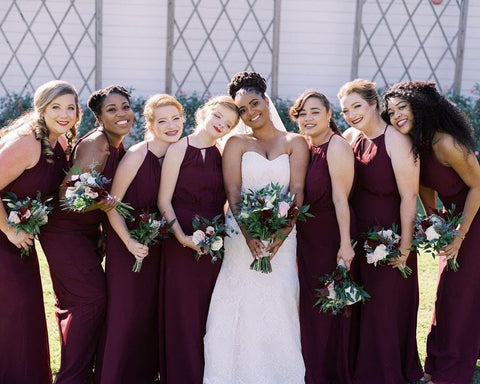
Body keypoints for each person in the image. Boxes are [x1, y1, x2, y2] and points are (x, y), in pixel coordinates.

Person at [203, 71, 309, 384]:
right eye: (243, 110)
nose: (251, 112)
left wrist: (280, 234)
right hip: (239, 236)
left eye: (254, 103)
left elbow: (298, 191)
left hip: (284, 238)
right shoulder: (236, 142)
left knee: (280, 300)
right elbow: (233, 192)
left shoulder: (295, 142)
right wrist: (250, 236)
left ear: (266, 99)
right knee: (237, 298)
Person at [383, 81, 480, 384]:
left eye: (402, 107)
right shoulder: (417, 144)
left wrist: (461, 235)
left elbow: (478, 186)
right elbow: (425, 188)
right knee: (448, 294)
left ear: (420, 106)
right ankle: (436, 364)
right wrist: (435, 225)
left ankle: (449, 369)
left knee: (461, 296)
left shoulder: (446, 143)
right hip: (453, 223)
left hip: (474, 219)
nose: (396, 115)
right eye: (391, 111)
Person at [39, 85, 133, 383]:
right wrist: (99, 202)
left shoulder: (118, 145)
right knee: (90, 302)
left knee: (82, 303)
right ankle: (71, 377)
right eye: (111, 109)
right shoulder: (97, 144)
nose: (121, 114)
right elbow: (68, 195)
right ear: (98, 117)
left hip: (85, 233)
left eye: (125, 106)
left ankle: (82, 373)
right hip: (65, 233)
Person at [337, 78, 423, 383]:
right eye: (345, 110)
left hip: (389, 235)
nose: (351, 114)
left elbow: (409, 197)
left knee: (385, 307)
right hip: (357, 234)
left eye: (356, 106)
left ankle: (387, 371)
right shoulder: (349, 136)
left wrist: (404, 247)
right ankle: (358, 367)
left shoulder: (397, 140)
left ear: (374, 104)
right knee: (360, 304)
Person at [95, 94, 184, 383]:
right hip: (127, 245)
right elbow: (112, 205)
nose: (171, 126)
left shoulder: (181, 152)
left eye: (175, 119)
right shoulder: (137, 155)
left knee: (149, 314)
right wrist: (130, 243)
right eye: (163, 121)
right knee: (126, 314)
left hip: (159, 246)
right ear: (150, 124)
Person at [0, 80, 80, 383]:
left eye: (69, 108)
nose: (63, 114)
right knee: (13, 314)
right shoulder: (27, 143)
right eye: (55, 108)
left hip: (20, 241)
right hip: (5, 238)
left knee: (27, 314)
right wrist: (8, 229)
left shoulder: (58, 141)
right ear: (41, 110)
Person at [158, 95, 239, 383]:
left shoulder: (221, 153)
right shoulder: (180, 148)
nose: (221, 124)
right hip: (180, 242)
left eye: (228, 123)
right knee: (184, 312)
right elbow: (163, 200)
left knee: (209, 312)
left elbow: (228, 200)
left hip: (213, 245)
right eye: (218, 116)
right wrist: (181, 237)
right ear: (204, 112)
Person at [289, 89, 356, 383]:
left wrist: (344, 244)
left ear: (329, 115)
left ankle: (325, 372)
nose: (308, 118)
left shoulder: (336, 146)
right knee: (308, 304)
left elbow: (342, 199)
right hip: (305, 238)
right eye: (302, 113)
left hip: (328, 237)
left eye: (315, 111)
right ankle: (308, 366)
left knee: (324, 304)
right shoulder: (305, 146)